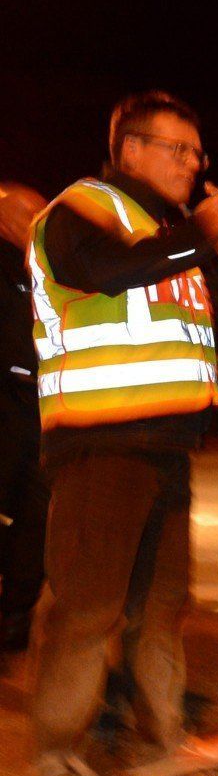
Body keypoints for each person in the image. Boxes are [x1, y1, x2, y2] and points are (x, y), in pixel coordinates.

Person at [22, 91, 218, 776]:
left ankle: (163, 739)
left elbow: (202, 323)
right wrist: (199, 234)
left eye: (197, 152)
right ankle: (54, 772)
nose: (192, 163)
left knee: (162, 605)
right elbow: (103, 270)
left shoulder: (168, 235)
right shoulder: (81, 209)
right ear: (129, 149)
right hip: (101, 440)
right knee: (86, 609)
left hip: (167, 444)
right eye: (177, 149)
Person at [0, 183, 48, 654]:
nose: (38, 222)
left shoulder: (52, 269)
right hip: (7, 406)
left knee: (36, 515)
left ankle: (16, 614)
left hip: (42, 409)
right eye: (28, 215)